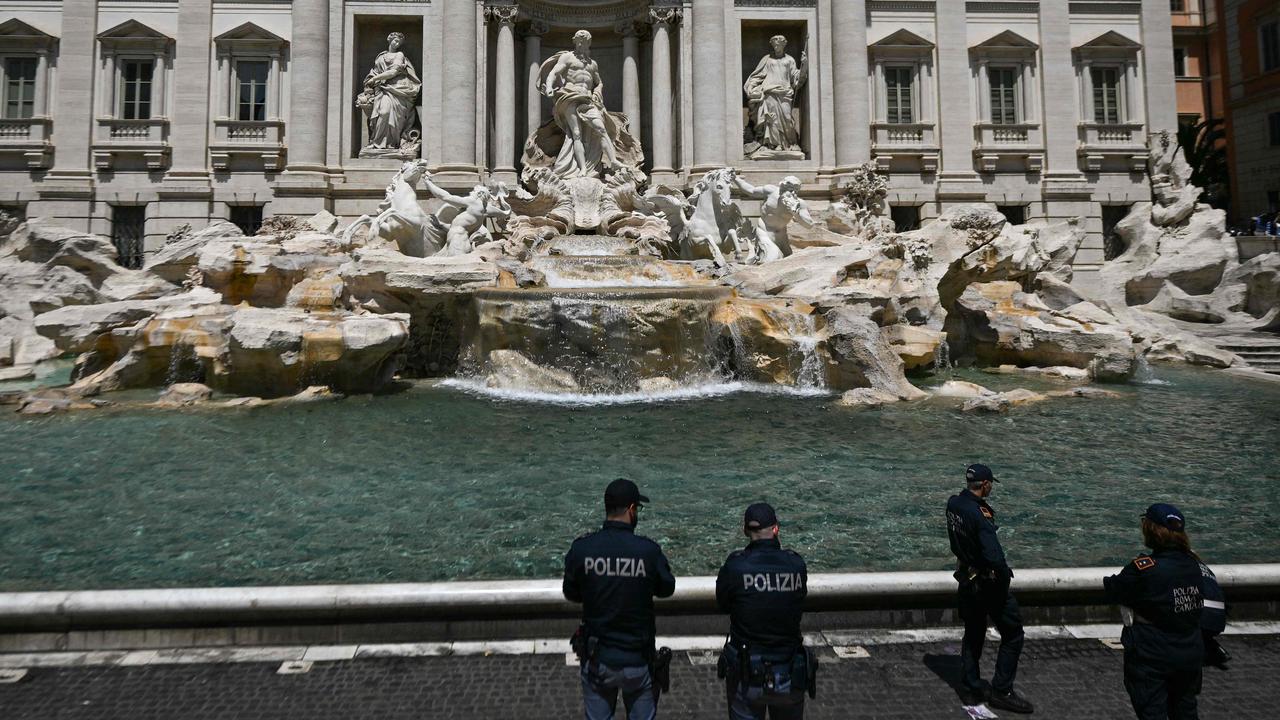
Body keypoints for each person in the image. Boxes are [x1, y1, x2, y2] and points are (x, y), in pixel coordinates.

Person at [564, 478, 677, 720]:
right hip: (637, 659)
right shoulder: (648, 551)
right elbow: (667, 588)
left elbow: (571, 592)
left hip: (598, 659)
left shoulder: (583, 549)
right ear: (631, 509)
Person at [1104, 504, 1218, 719]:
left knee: (1151, 711)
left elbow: (1114, 588)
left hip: (1152, 652)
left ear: (1149, 530)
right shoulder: (1195, 564)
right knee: (1185, 711)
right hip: (1190, 650)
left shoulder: (1144, 568)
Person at [945, 464, 1034, 714]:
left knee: (973, 631)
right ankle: (1002, 691)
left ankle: (971, 683)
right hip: (987, 583)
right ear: (985, 485)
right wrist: (1004, 577)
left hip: (966, 577)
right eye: (991, 483)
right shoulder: (980, 513)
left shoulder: (954, 504)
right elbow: (994, 556)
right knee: (1013, 633)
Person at [715, 503, 813, 720]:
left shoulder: (736, 565)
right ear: (776, 529)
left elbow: (723, 604)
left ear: (745, 531)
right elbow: (799, 600)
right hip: (788, 667)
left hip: (747, 671)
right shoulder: (796, 564)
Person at [541, 30, 619, 178]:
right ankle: (583, 169)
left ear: (589, 43)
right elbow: (554, 73)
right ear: (574, 42)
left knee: (601, 128)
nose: (581, 44)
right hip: (570, 96)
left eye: (584, 42)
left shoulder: (592, 64)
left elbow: (599, 82)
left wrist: (598, 91)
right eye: (578, 41)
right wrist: (549, 86)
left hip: (587, 99)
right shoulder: (567, 57)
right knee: (576, 134)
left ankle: (613, 160)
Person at [356, 32, 422, 156]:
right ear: (389, 40)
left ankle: (392, 144)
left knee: (390, 114)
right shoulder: (380, 57)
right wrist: (371, 80)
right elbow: (374, 72)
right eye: (395, 41)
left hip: (397, 90)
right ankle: (378, 143)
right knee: (383, 113)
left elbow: (393, 72)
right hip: (382, 90)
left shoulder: (399, 55)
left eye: (399, 42)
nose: (397, 44)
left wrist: (375, 79)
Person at [743, 35, 807, 157]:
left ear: (784, 45)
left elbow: (797, 79)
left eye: (779, 44)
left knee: (787, 119)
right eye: (774, 44)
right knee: (771, 120)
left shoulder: (790, 60)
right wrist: (751, 87)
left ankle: (788, 144)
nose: (776, 46)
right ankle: (771, 145)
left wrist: (804, 65)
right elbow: (757, 76)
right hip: (769, 93)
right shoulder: (767, 60)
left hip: (785, 94)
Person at [731, 175, 815, 261]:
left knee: (787, 260)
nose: (792, 192)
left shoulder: (799, 204)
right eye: (789, 189)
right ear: (782, 186)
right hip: (764, 231)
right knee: (772, 258)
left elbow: (809, 224)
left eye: (795, 190)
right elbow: (751, 190)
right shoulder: (770, 191)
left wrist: (795, 213)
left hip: (782, 236)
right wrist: (736, 178)